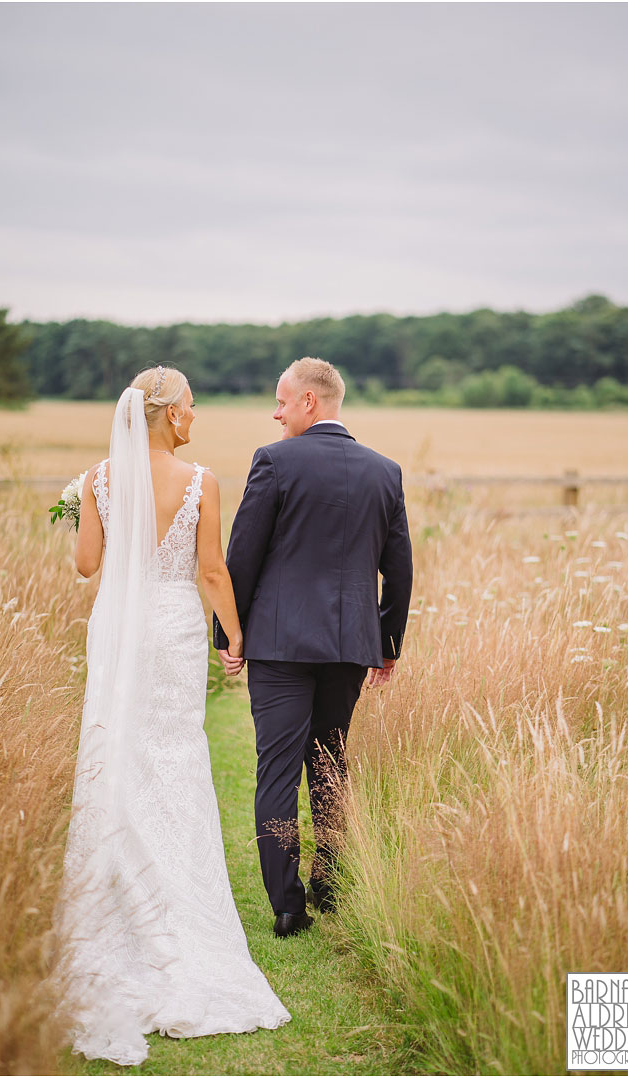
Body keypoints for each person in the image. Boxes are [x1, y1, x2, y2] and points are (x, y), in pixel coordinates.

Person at [57, 366, 290, 1067]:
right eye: (191, 406)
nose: (197, 415)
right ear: (167, 415)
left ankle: (120, 908)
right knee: (174, 755)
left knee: (115, 751)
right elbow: (211, 571)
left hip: (119, 627)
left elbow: (86, 566)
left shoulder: (98, 478)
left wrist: (79, 512)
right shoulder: (200, 482)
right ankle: (181, 919)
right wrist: (237, 634)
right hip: (173, 624)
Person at [213, 357, 413, 938]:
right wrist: (388, 643)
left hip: (279, 645)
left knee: (276, 769)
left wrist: (230, 634)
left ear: (310, 402)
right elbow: (398, 572)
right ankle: (330, 881)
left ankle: (287, 904)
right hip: (350, 646)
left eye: (281, 401)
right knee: (329, 762)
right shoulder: (385, 471)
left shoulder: (274, 462)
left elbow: (242, 555)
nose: (274, 414)